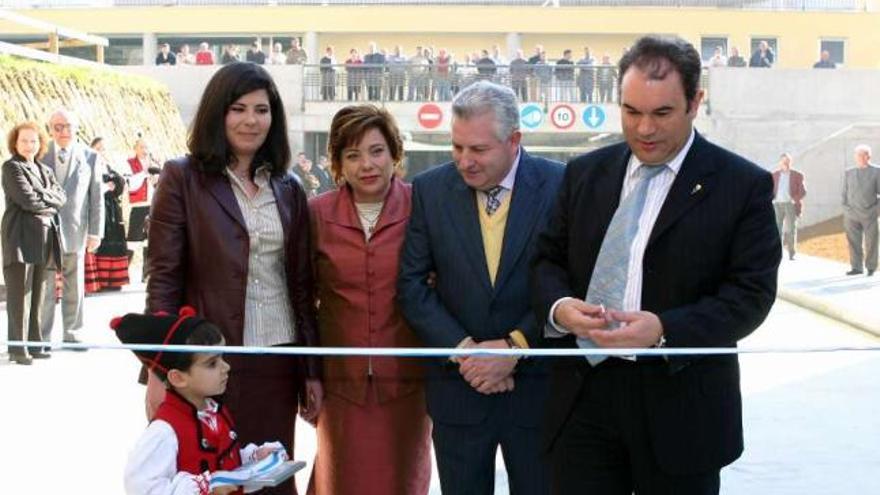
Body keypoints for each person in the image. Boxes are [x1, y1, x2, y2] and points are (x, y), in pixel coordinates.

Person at [531, 35, 781, 494]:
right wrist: (561, 306)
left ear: (695, 102)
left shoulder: (741, 186)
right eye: (631, 111)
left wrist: (664, 329)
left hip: (681, 407)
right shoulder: (585, 173)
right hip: (583, 401)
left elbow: (750, 296)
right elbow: (547, 259)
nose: (644, 129)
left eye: (662, 113)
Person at [146, 62, 322, 495]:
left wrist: (311, 370)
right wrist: (158, 367)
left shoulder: (289, 187)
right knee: (211, 476)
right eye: (238, 108)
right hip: (206, 362)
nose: (250, 120)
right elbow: (163, 277)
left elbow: (302, 288)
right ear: (217, 113)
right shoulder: (181, 177)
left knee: (270, 477)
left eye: (262, 110)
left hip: (276, 362)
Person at [398, 80, 564, 495]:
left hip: (538, 391)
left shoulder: (561, 186)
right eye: (457, 147)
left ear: (514, 140)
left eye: (478, 150)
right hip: (460, 390)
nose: (464, 161)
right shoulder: (430, 190)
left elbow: (571, 282)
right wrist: (467, 353)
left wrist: (516, 348)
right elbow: (412, 286)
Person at [307, 105, 431, 495]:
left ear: (395, 154)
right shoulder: (316, 213)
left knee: (403, 479)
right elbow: (303, 299)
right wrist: (308, 372)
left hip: (408, 380)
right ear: (338, 163)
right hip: (341, 381)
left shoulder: (422, 207)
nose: (367, 165)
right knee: (341, 479)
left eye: (377, 151)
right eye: (352, 154)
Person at [116, 308, 287, 495]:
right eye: (212, 363)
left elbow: (225, 464)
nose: (226, 367)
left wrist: (255, 459)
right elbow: (141, 488)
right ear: (178, 378)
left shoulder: (215, 413)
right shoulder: (164, 432)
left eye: (222, 357)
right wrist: (204, 487)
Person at [40, 108, 104, 348]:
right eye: (57, 127)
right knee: (44, 285)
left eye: (68, 126)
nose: (63, 131)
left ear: (76, 129)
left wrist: (95, 232)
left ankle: (73, 332)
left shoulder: (90, 156)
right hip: (45, 228)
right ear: (50, 130)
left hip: (76, 229)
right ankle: (42, 335)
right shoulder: (40, 153)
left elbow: (96, 197)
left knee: (74, 284)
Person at [2, 122, 65, 365]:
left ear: (40, 143)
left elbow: (62, 197)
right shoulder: (11, 167)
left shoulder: (44, 170)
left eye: (33, 141)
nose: (29, 145)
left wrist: (46, 199)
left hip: (44, 237)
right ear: (15, 144)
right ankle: (18, 348)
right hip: (19, 238)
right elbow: (27, 200)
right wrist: (48, 200)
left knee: (38, 294)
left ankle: (35, 343)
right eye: (24, 141)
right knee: (20, 295)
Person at [86, 137, 129, 292]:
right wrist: (105, 187)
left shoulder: (109, 167)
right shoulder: (88, 166)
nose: (101, 152)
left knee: (114, 240)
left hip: (112, 210)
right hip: (98, 209)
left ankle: (113, 280)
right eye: (98, 148)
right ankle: (100, 280)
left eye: (103, 149)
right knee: (100, 241)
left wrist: (116, 182)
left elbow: (119, 187)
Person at [842, 144, 880, 276]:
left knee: (871, 242)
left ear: (867, 156)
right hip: (851, 214)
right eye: (856, 154)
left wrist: (876, 210)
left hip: (870, 213)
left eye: (859, 155)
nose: (856, 157)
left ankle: (871, 267)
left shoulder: (877, 171)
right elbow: (844, 192)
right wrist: (845, 208)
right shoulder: (849, 172)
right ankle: (856, 267)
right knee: (853, 241)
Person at [772, 153, 806, 261]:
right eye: (783, 161)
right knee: (777, 230)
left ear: (790, 162)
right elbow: (769, 189)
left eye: (787, 160)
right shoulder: (775, 175)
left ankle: (792, 253)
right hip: (777, 204)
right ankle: (777, 253)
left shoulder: (797, 175)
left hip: (790, 205)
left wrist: (794, 200)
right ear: (780, 162)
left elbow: (803, 192)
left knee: (791, 229)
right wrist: (771, 199)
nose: (785, 163)